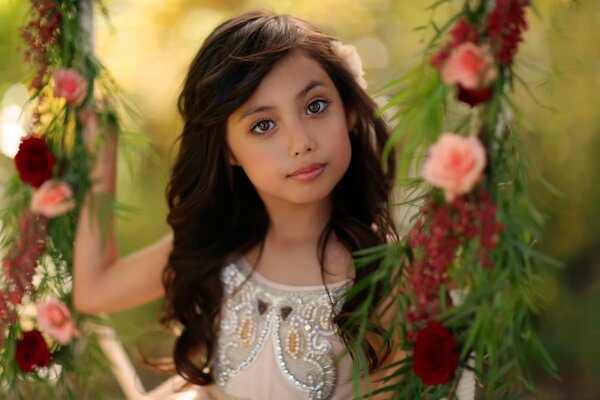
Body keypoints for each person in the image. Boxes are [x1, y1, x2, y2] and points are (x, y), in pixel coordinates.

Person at [73, 10, 402, 400]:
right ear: (227, 149)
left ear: (347, 109)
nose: (300, 142)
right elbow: (94, 291)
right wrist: (101, 157)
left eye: (315, 106)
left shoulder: (382, 274)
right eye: (263, 125)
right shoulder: (221, 243)